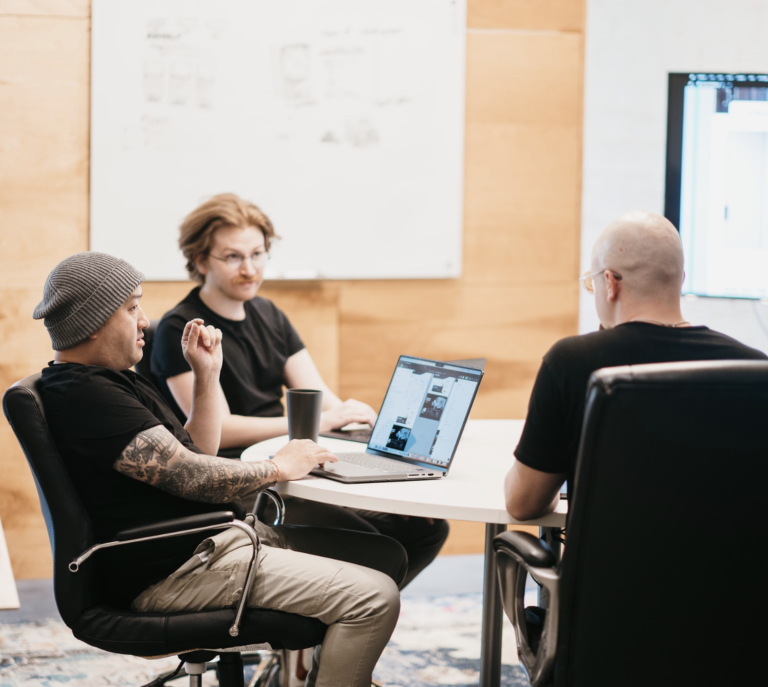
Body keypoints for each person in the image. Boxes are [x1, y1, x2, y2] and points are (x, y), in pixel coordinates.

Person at [34, 251, 406, 687]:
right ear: (94, 320)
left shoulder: (112, 379)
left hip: (208, 543)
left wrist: (207, 377)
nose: (144, 322)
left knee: (385, 555)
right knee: (375, 599)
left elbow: (195, 453)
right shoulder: (87, 395)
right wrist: (279, 466)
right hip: (174, 571)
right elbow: (196, 479)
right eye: (132, 307)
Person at [150, 193, 449, 586]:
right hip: (239, 478)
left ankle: (337, 627)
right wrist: (319, 421)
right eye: (234, 257)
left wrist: (365, 427)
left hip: (293, 467)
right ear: (201, 260)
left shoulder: (270, 315)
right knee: (375, 546)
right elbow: (220, 430)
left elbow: (322, 399)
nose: (250, 269)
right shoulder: (181, 328)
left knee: (426, 528)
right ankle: (331, 622)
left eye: (258, 254)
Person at [504, 211, 768, 521]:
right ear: (680, 281)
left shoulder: (572, 362)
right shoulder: (754, 369)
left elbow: (523, 503)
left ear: (609, 283)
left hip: (610, 570)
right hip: (732, 569)